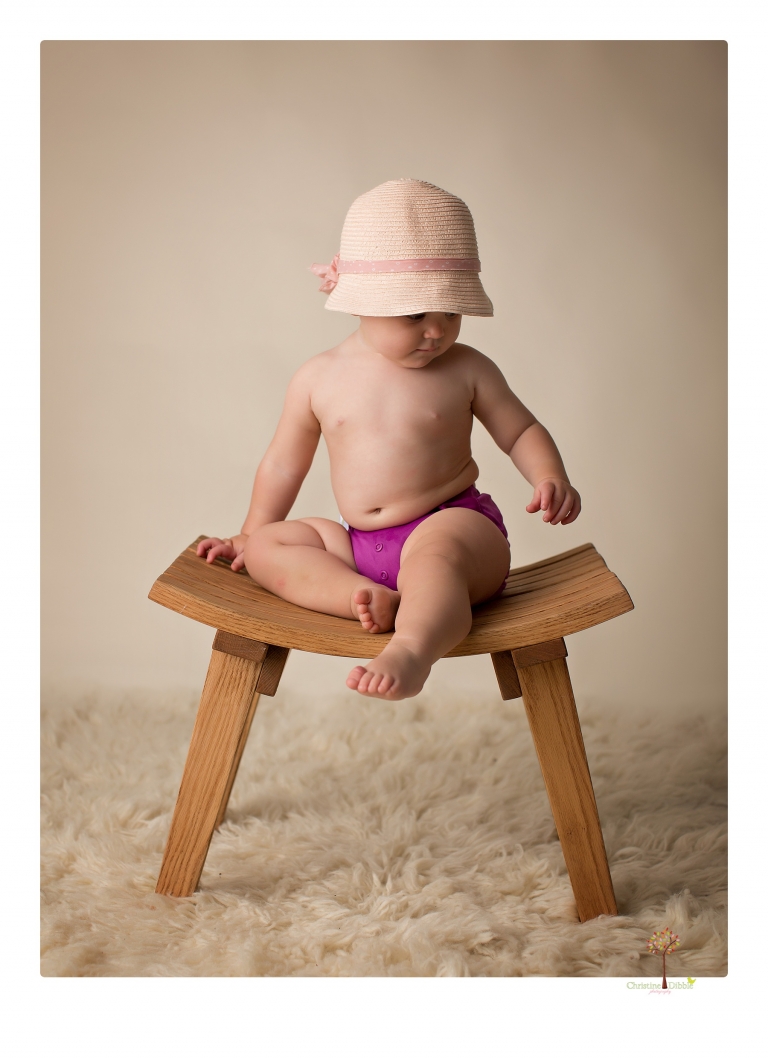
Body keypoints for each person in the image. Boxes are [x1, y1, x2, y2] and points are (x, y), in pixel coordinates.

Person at [197, 179, 580, 700]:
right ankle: (361, 595)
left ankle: (411, 649)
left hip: (455, 529)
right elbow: (284, 466)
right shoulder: (318, 378)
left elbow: (520, 430)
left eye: (450, 313)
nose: (436, 331)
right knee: (271, 546)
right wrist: (248, 535)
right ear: (360, 302)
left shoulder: (467, 369)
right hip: (359, 545)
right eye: (415, 314)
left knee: (435, 557)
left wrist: (548, 475)